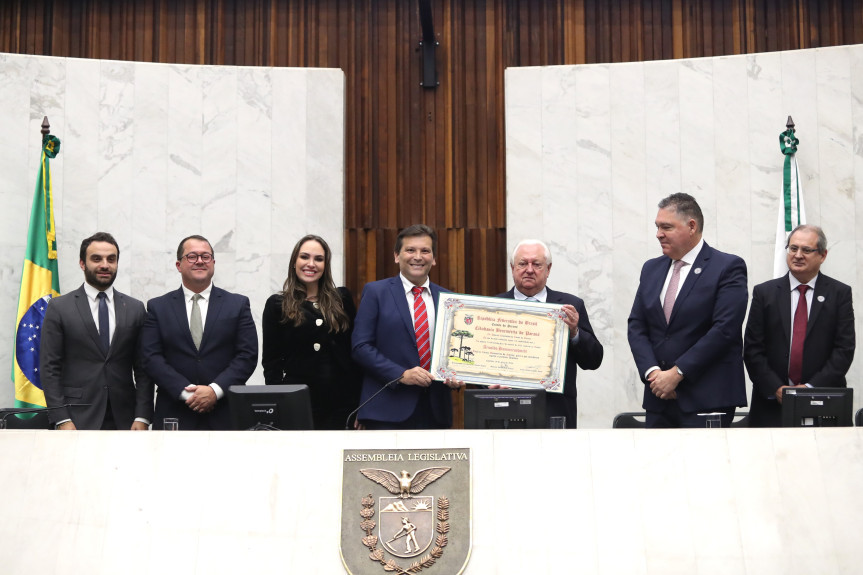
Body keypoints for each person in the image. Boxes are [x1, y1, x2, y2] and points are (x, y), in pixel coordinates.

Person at [627, 193, 748, 428]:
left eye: (666, 227)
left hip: (707, 399)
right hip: (659, 399)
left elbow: (724, 329)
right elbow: (637, 325)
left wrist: (677, 374)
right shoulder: (651, 269)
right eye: (657, 227)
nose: (658, 234)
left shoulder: (727, 267)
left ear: (691, 226)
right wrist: (654, 374)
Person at [140, 235, 258, 430]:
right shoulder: (158, 307)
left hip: (225, 412)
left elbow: (247, 355)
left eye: (205, 256)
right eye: (192, 256)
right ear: (178, 265)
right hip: (175, 412)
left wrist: (214, 391)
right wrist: (188, 394)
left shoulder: (237, 304)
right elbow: (151, 358)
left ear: (213, 262)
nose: (200, 261)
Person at [352, 224, 464, 429]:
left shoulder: (450, 301)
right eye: (410, 250)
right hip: (386, 410)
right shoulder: (376, 292)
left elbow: (455, 352)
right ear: (397, 256)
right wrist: (401, 374)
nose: (418, 256)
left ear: (434, 258)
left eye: (425, 251)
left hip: (435, 412)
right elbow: (361, 347)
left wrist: (458, 374)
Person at [743, 225, 855, 427]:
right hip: (771, 404)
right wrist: (776, 388)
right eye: (793, 248)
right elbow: (752, 349)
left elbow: (844, 350)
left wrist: (811, 388)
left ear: (822, 255)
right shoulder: (764, 293)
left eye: (806, 250)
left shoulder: (839, 294)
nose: (798, 255)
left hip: (824, 401)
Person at [40, 232, 153, 430]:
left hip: (125, 418)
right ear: (82, 264)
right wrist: (61, 418)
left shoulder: (135, 308)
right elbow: (50, 368)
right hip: (76, 417)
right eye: (96, 259)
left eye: (111, 259)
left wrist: (142, 416)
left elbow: (143, 369)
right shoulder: (59, 307)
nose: (104, 265)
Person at [496, 239, 603, 428]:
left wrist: (574, 332)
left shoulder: (570, 306)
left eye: (536, 264)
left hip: (555, 413)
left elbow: (593, 360)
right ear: (512, 267)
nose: (529, 269)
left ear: (548, 269)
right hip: (504, 413)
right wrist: (487, 385)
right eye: (522, 263)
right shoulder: (493, 307)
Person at [261, 234, 361, 429]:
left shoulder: (342, 299)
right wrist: (278, 404)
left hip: (341, 404)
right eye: (304, 257)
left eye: (318, 259)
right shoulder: (277, 304)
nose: (311, 264)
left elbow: (355, 354)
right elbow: (271, 363)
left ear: (326, 265)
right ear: (294, 262)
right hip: (296, 402)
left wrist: (361, 404)